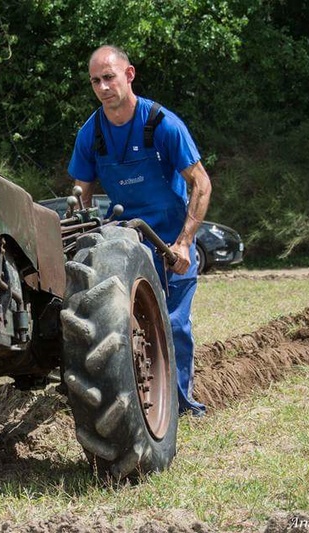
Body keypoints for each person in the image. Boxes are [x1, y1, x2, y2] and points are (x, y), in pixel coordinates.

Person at [68, 44, 212, 417]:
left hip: (170, 241)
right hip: (127, 241)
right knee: (123, 325)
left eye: (109, 77)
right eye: (95, 81)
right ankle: (135, 405)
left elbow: (201, 183)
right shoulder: (91, 133)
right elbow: (81, 193)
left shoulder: (161, 123)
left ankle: (181, 405)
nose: (102, 87)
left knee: (174, 325)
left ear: (129, 75)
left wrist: (185, 242)